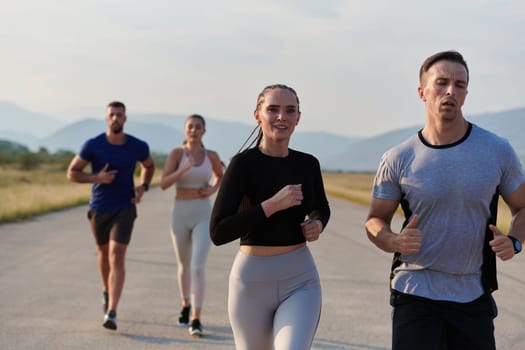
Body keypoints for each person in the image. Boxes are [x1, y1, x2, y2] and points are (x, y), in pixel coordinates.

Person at [364, 50, 525, 350]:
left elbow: (523, 207)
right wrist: (393, 242)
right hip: (414, 291)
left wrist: (515, 240)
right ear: (422, 92)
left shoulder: (497, 150)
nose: (451, 91)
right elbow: (375, 220)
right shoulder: (399, 157)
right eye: (441, 83)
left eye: (459, 85)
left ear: (465, 93)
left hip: (471, 295)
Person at [210, 84, 331, 350]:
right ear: (257, 115)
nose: (281, 117)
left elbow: (321, 207)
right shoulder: (242, 165)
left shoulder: (308, 164)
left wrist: (318, 223)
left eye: (290, 111)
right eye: (273, 109)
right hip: (251, 283)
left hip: (300, 279)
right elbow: (218, 232)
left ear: (298, 117)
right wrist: (271, 206)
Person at [67, 101, 155, 331]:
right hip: (99, 208)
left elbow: (149, 165)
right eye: (111, 115)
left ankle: (112, 311)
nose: (115, 118)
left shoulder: (137, 145)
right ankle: (107, 291)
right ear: (106, 118)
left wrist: (143, 187)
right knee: (103, 254)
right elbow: (72, 173)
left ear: (125, 118)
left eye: (119, 115)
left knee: (117, 254)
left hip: (125, 207)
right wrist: (96, 178)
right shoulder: (93, 145)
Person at [160, 114, 223, 337]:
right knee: (184, 265)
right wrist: (183, 169)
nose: (194, 131)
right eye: (190, 127)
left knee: (198, 266)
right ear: (185, 130)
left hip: (203, 213)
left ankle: (196, 318)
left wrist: (212, 189)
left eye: (198, 127)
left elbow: (220, 176)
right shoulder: (177, 154)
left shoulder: (211, 155)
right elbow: (163, 184)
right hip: (180, 212)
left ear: (204, 131)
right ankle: (185, 304)